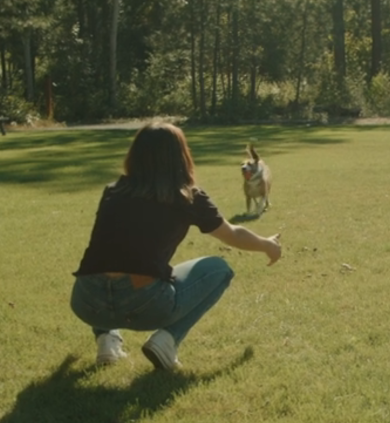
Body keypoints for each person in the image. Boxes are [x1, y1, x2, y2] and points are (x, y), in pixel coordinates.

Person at [70, 122, 282, 369]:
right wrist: (267, 245)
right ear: (181, 156)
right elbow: (232, 234)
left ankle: (106, 340)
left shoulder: (113, 191)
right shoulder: (188, 196)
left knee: (110, 255)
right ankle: (166, 340)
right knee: (219, 269)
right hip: (143, 304)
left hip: (86, 302)